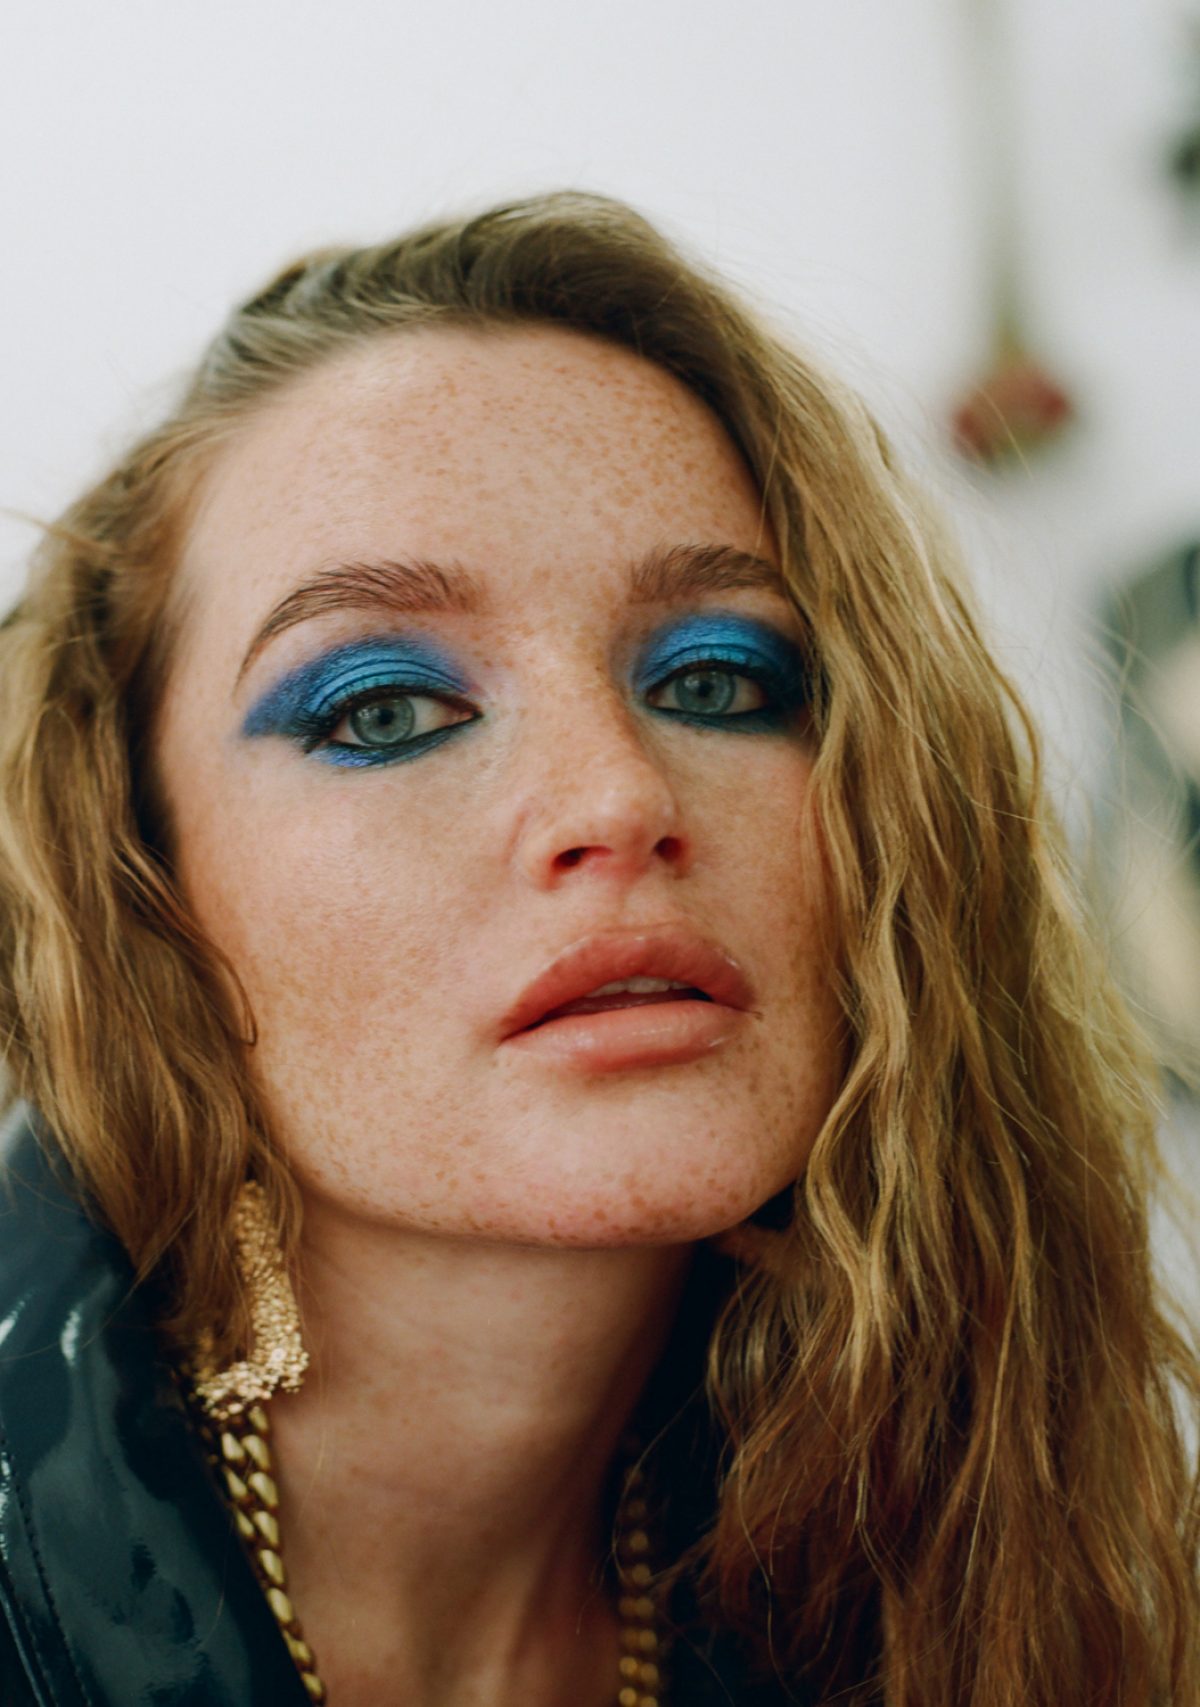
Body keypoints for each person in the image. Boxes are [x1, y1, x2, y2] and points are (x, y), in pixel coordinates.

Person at [0, 190, 1195, 1707]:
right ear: (138, 873)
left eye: (717, 680)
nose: (620, 799)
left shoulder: (934, 1571)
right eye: (383, 710)